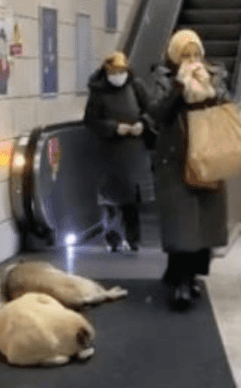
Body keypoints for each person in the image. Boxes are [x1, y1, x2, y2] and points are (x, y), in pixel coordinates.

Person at [144, 30, 231, 311]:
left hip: (207, 157)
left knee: (203, 221)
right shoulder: (164, 79)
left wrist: (209, 92)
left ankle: (190, 276)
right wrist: (180, 89)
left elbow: (226, 108)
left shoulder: (215, 76)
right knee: (181, 222)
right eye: (185, 56)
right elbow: (155, 114)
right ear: (173, 57)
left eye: (195, 55)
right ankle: (180, 281)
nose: (192, 61)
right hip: (174, 161)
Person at [84, 51, 150, 253]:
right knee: (111, 200)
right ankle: (113, 238)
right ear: (106, 71)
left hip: (133, 152)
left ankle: (133, 239)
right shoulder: (98, 92)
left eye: (122, 71)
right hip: (109, 153)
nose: (118, 75)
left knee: (131, 201)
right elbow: (90, 120)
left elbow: (150, 110)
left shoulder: (136, 87)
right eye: (114, 72)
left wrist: (142, 124)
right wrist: (114, 128)